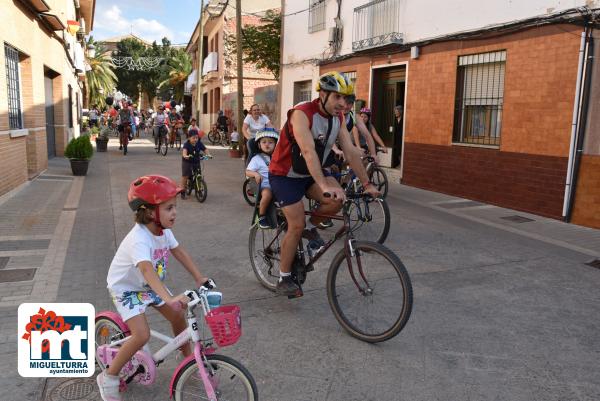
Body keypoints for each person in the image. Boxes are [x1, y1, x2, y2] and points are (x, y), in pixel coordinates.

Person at [96, 175, 213, 401]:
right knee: (141, 335)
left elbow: (179, 252)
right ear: (150, 212)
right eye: (169, 208)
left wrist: (199, 277)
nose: (175, 212)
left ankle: (188, 359)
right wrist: (168, 298)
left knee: (178, 314)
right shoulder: (139, 239)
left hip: (148, 285)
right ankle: (109, 377)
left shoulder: (163, 231)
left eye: (174, 207)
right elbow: (148, 271)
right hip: (127, 289)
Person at [268, 71, 380, 296]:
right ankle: (284, 277)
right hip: (285, 175)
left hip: (310, 174)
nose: (342, 103)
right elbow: (308, 152)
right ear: (323, 94)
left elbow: (349, 152)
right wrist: (324, 184)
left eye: (345, 98)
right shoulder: (302, 114)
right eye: (337, 97)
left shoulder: (338, 118)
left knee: (338, 199)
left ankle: (311, 228)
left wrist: (367, 184)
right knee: (296, 224)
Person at [245, 129, 278, 229]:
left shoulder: (278, 158)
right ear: (259, 145)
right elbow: (247, 171)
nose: (267, 144)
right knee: (267, 194)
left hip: (277, 185)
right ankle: (262, 216)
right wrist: (255, 174)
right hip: (263, 186)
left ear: (276, 144)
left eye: (271, 142)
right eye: (264, 142)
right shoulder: (257, 159)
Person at [181, 130, 211, 199]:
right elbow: (184, 152)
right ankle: (182, 190)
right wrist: (185, 155)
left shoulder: (199, 143)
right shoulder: (186, 144)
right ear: (189, 138)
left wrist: (208, 155)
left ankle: (199, 189)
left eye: (196, 138)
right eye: (193, 138)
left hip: (196, 161)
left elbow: (205, 149)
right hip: (187, 161)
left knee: (198, 175)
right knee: (185, 176)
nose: (195, 139)